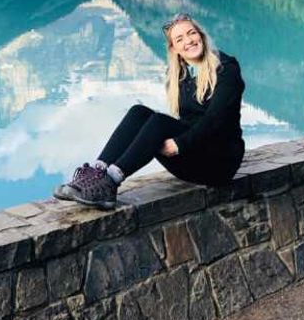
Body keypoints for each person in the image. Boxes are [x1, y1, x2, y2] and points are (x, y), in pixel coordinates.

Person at [54, 13, 245, 209]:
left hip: (220, 162)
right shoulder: (180, 74)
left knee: (160, 122)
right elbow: (188, 120)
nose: (188, 41)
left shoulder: (225, 68)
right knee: (139, 112)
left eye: (191, 33)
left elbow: (215, 119)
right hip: (196, 152)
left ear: (201, 36)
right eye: (180, 39)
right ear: (174, 48)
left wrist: (179, 144)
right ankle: (98, 173)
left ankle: (111, 181)